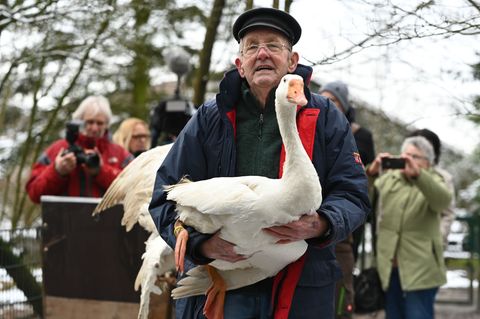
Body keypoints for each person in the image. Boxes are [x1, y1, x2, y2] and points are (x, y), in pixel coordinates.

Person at [149, 7, 370, 319]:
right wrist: (202, 245)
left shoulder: (326, 118)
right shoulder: (208, 119)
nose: (262, 53)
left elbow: (354, 194)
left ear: (292, 60)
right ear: (240, 65)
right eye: (252, 46)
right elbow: (163, 197)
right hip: (226, 286)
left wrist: (321, 223)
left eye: (274, 45)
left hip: (302, 289)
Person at [366, 136, 452, 319]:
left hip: (421, 267)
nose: (408, 159)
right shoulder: (390, 178)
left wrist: (419, 177)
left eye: (415, 156)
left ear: (427, 162)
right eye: (406, 155)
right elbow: (361, 194)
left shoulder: (436, 179)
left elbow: (442, 202)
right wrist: (371, 173)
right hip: (389, 266)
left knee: (418, 315)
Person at [320, 81, 375, 318]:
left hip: (346, 216)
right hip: (313, 214)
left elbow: (363, 176)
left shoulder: (360, 135)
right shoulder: (309, 125)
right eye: (322, 98)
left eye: (332, 100)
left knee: (341, 288)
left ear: (343, 105)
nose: (325, 104)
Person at [26, 95, 134, 203]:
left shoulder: (120, 154)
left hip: (108, 219)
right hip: (65, 218)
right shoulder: (57, 150)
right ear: (79, 121)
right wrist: (57, 171)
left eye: (100, 123)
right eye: (90, 122)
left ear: (107, 125)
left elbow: (136, 191)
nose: (95, 128)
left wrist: (101, 171)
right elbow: (34, 193)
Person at [408, 128, 456, 247]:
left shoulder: (443, 178)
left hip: (427, 247)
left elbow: (448, 213)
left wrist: (435, 242)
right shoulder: (397, 174)